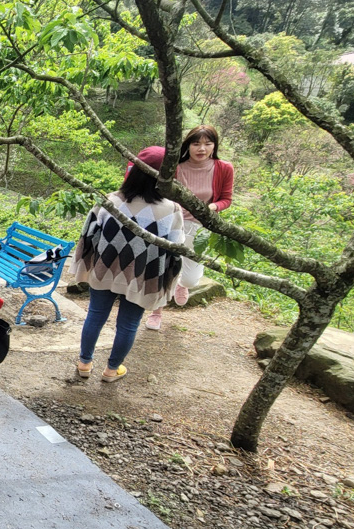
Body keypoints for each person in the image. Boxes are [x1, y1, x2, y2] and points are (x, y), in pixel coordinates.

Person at [73, 146, 185, 382]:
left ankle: (84, 364)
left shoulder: (111, 200)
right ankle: (111, 370)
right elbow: (176, 250)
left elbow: (89, 234)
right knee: (129, 324)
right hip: (144, 276)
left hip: (105, 269)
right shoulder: (171, 210)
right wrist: (169, 280)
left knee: (95, 315)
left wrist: (85, 265)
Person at [146, 125, 234, 330]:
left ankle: (182, 284)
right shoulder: (176, 166)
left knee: (192, 279)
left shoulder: (223, 168)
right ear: (188, 145)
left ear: (214, 146)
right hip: (171, 221)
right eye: (196, 143)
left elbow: (226, 199)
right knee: (164, 267)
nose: (201, 148)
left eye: (207, 144)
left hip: (199, 227)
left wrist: (212, 206)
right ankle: (156, 311)